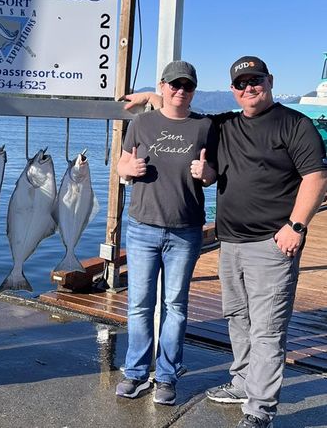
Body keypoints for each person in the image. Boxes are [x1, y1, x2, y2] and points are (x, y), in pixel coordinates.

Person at [123, 56, 327, 428]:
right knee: (238, 317)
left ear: (270, 80)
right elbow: (178, 110)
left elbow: (316, 178)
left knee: (267, 327)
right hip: (229, 241)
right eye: (241, 83)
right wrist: (152, 96)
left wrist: (296, 226)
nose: (249, 87)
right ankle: (243, 382)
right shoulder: (224, 124)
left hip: (273, 242)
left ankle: (260, 409)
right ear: (233, 90)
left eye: (256, 80)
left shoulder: (296, 125)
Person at [115, 61, 217, 406]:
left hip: (186, 231)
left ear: (194, 90)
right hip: (143, 227)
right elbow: (121, 164)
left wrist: (207, 173)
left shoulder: (205, 126)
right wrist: (126, 168)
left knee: (176, 306)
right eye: (174, 85)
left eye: (187, 86)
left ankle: (168, 376)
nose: (180, 91)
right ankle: (136, 372)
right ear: (162, 86)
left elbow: (215, 173)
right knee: (139, 305)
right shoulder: (142, 122)